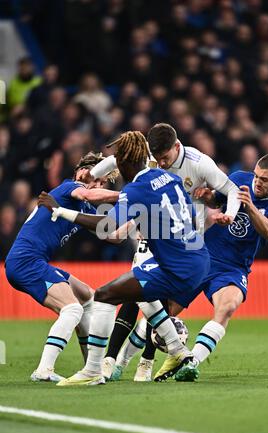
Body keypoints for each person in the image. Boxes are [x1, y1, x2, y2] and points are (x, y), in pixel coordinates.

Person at [38, 130, 211, 387]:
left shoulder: (135, 189)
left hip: (177, 267)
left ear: (125, 162)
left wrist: (60, 211)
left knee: (105, 294)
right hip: (199, 258)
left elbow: (107, 226)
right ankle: (178, 351)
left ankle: (94, 370)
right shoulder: (168, 177)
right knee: (145, 294)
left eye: (118, 159)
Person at [87, 122, 241, 381]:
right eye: (156, 158)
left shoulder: (200, 163)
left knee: (162, 304)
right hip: (153, 232)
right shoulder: (151, 153)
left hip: (189, 240)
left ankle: (145, 360)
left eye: (165, 157)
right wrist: (93, 174)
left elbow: (232, 190)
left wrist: (229, 214)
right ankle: (114, 360)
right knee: (137, 291)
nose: (160, 162)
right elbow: (116, 159)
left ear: (177, 147)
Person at [155, 153, 268, 382]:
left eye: (265, 180)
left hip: (233, 267)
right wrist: (208, 196)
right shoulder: (240, 178)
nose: (258, 182)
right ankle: (124, 362)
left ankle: (191, 363)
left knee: (227, 307)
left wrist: (249, 207)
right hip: (202, 256)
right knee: (162, 310)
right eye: (257, 176)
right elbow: (217, 201)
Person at [5, 152, 119, 382]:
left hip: (32, 260)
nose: (99, 184)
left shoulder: (84, 207)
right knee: (73, 309)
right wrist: (127, 195)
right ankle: (44, 370)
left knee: (88, 296)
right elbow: (88, 193)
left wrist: (136, 218)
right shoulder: (70, 188)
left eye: (102, 181)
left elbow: (112, 236)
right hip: (26, 260)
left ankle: (92, 369)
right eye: (98, 179)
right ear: (82, 172)